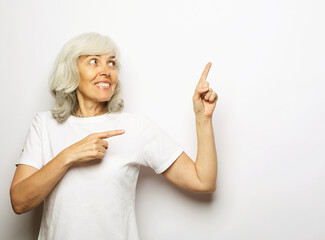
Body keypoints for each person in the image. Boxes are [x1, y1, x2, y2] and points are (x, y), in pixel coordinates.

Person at [10, 32, 218, 240]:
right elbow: (19, 202)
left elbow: (203, 181)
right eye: (94, 61)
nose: (106, 71)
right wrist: (69, 156)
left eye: (111, 63)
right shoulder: (44, 125)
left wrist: (203, 119)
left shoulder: (135, 127)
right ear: (71, 70)